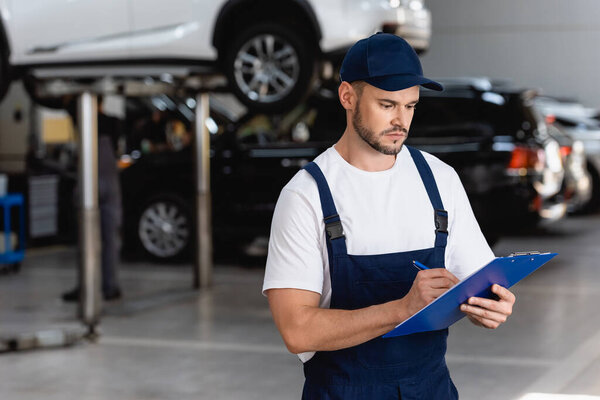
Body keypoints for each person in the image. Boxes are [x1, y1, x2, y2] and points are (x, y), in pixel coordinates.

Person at [262, 33, 516, 399]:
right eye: (387, 105)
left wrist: (489, 304)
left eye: (410, 106)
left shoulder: (439, 180)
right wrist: (402, 309)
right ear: (347, 97)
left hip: (431, 389)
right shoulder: (307, 195)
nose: (401, 120)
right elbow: (297, 330)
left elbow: (477, 279)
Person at [63, 96, 123, 302]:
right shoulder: (114, 121)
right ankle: (110, 286)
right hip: (110, 180)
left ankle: (86, 286)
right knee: (110, 239)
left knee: (86, 238)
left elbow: (64, 104)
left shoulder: (80, 117)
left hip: (90, 180)